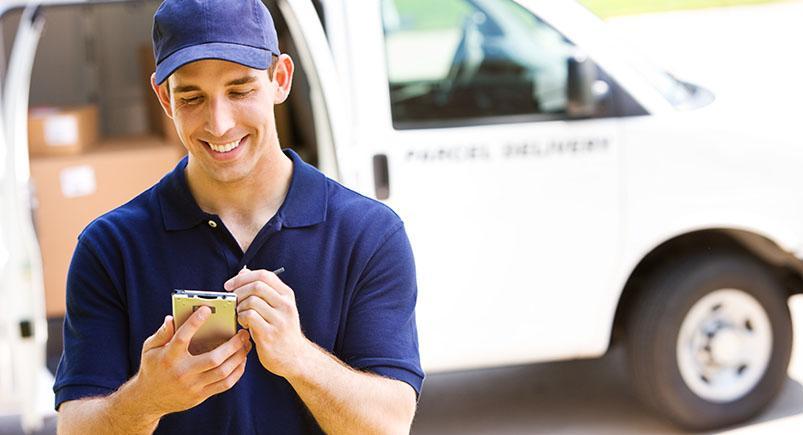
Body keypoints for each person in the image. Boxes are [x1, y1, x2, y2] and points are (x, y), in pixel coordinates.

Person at [53, 0, 424, 433]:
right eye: (192, 97)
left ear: (280, 79)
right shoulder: (110, 247)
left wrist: (299, 357)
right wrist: (146, 400)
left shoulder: (368, 235)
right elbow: (75, 427)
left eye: (240, 90)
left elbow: (389, 426)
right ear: (163, 97)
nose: (220, 123)